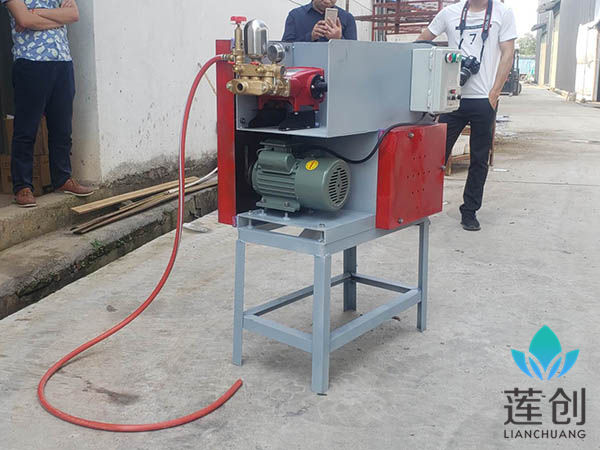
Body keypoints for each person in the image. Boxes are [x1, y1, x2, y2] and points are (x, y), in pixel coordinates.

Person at [418, 0, 516, 231]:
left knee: (479, 160)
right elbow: (422, 41)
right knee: (435, 156)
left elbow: (508, 52)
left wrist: (495, 93)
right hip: (452, 97)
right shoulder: (449, 13)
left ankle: (470, 211)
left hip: (484, 99)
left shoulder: (503, 13)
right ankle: (421, 207)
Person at [2, 0, 93, 208]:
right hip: (31, 62)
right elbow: (24, 19)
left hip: (62, 61)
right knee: (26, 129)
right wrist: (58, 18)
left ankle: (62, 178)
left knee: (62, 127)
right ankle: (22, 186)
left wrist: (38, 13)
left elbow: (73, 15)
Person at [283, 0, 357, 43]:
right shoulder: (295, 16)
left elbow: (353, 52)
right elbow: (286, 48)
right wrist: (311, 37)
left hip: (337, 65)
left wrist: (338, 39)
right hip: (304, 65)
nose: (327, 1)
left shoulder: (348, 18)